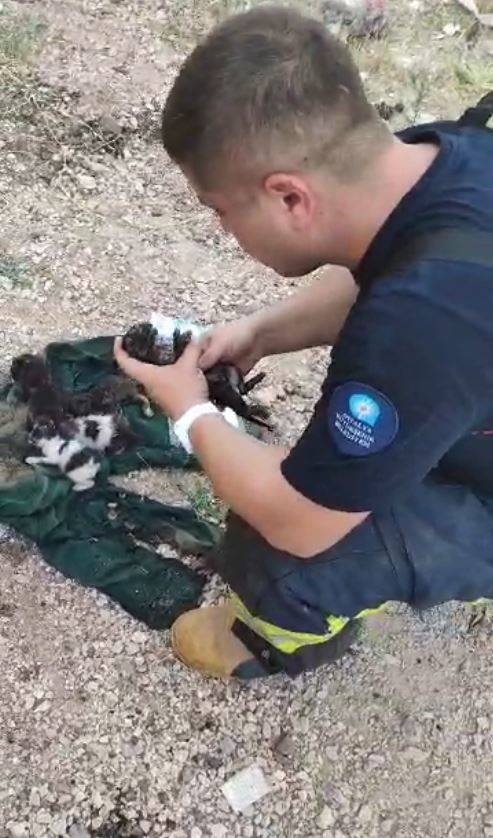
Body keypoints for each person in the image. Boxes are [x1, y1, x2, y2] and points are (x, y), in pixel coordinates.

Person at [114, 6, 493, 680]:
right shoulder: (449, 157)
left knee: (276, 548)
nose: (224, 229)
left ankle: (282, 633)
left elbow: (299, 521)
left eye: (221, 211)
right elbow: (392, 265)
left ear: (289, 197)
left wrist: (190, 410)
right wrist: (260, 332)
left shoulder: (420, 330)